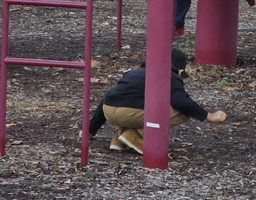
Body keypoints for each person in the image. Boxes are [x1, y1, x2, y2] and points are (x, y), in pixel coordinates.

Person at [88, 48, 227, 154]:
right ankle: (133, 136)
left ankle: (119, 140)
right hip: (129, 113)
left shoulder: (132, 73)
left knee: (140, 105)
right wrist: (209, 116)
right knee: (184, 112)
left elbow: (109, 96)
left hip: (108, 110)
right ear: (179, 69)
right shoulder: (170, 76)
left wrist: (91, 129)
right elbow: (182, 102)